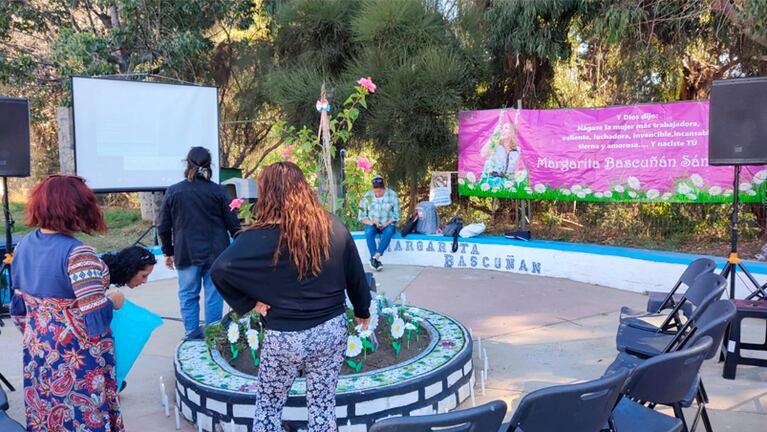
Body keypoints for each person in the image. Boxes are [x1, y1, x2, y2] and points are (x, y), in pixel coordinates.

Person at [210, 161, 370, 432]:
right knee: (322, 405)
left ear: (267, 193)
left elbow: (220, 270)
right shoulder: (332, 226)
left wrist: (249, 304)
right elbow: (355, 273)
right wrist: (362, 310)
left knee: (269, 406)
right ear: (303, 189)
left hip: (283, 336)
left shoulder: (256, 238)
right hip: (330, 330)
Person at [9, 174, 124, 432]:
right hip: (76, 359)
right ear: (77, 207)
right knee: (82, 417)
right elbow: (95, 317)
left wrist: (40, 333)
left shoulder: (24, 245)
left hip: (38, 351)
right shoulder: (78, 253)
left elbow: (19, 310)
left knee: (46, 413)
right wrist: (114, 301)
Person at [158, 147, 240, 339]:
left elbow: (163, 226)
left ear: (187, 164)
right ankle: (212, 336)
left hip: (186, 252)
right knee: (214, 296)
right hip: (217, 253)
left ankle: (191, 335)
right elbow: (233, 225)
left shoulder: (173, 191)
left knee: (188, 295)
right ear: (209, 165)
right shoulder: (219, 191)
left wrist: (168, 251)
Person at [358, 174, 400, 271]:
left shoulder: (392, 195)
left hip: (388, 223)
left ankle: (375, 257)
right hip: (372, 223)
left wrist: (386, 223)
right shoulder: (367, 196)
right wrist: (372, 222)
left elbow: (397, 215)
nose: (378, 193)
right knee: (368, 233)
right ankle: (375, 261)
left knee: (389, 231)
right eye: (375, 191)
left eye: (380, 191)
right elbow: (362, 216)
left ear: (384, 188)